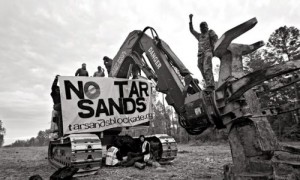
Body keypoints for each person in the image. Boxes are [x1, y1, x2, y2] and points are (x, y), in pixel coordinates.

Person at [189, 14, 218, 91]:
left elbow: (216, 39)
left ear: (206, 27)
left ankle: (211, 85)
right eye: (201, 27)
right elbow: (192, 30)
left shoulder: (210, 32)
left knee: (207, 67)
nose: (203, 29)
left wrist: (215, 48)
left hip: (208, 52)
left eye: (204, 27)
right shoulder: (199, 36)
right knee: (201, 67)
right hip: (200, 54)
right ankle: (208, 83)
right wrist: (190, 20)